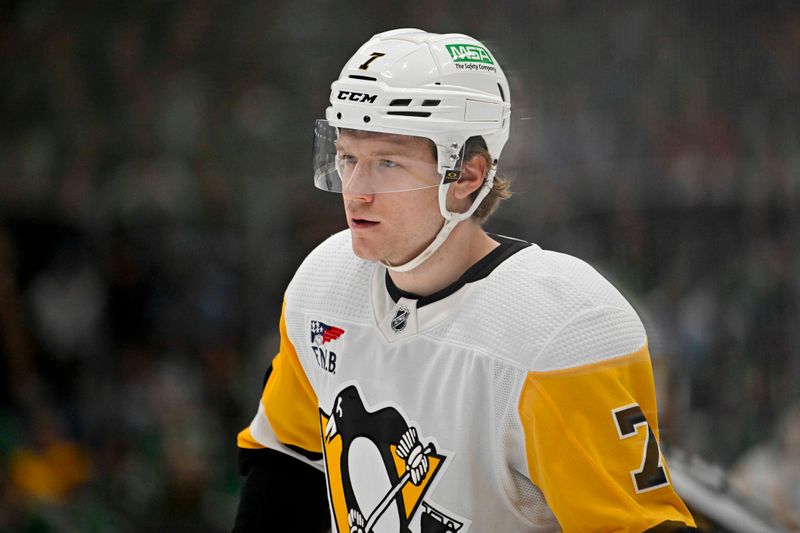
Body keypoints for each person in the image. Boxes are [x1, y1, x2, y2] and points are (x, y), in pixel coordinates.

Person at [233, 28, 697, 532]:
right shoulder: (324, 286)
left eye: (387, 162)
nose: (356, 191)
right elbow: (287, 461)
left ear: (468, 176)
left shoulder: (560, 329)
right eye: (348, 158)